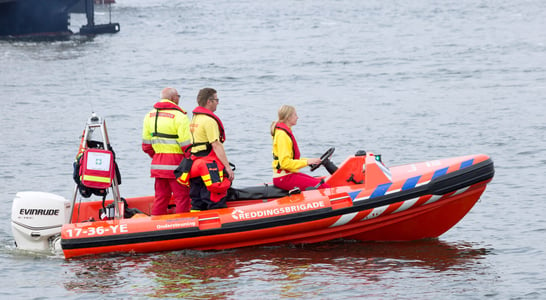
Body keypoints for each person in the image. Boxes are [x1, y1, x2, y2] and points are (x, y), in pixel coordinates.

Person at [142, 87, 191, 215]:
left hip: (158, 164)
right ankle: (182, 226)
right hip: (177, 164)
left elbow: (146, 146)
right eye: (179, 96)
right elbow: (187, 146)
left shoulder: (149, 116)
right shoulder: (180, 116)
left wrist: (159, 156)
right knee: (182, 197)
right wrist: (190, 161)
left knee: (161, 198)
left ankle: (155, 227)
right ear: (174, 98)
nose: (179, 99)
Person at [188, 88, 234, 211]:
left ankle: (195, 225)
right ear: (209, 101)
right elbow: (216, 145)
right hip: (209, 166)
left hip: (195, 164)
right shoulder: (209, 120)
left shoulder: (195, 118)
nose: (217, 103)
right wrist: (227, 167)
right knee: (215, 199)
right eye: (216, 100)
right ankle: (220, 227)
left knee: (197, 201)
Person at [271, 105, 330, 191]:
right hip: (284, 177)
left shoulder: (284, 132)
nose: (297, 117)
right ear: (288, 117)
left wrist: (311, 161)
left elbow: (291, 159)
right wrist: (307, 162)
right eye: (295, 115)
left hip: (289, 174)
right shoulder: (282, 135)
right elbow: (285, 163)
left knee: (322, 183)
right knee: (323, 188)